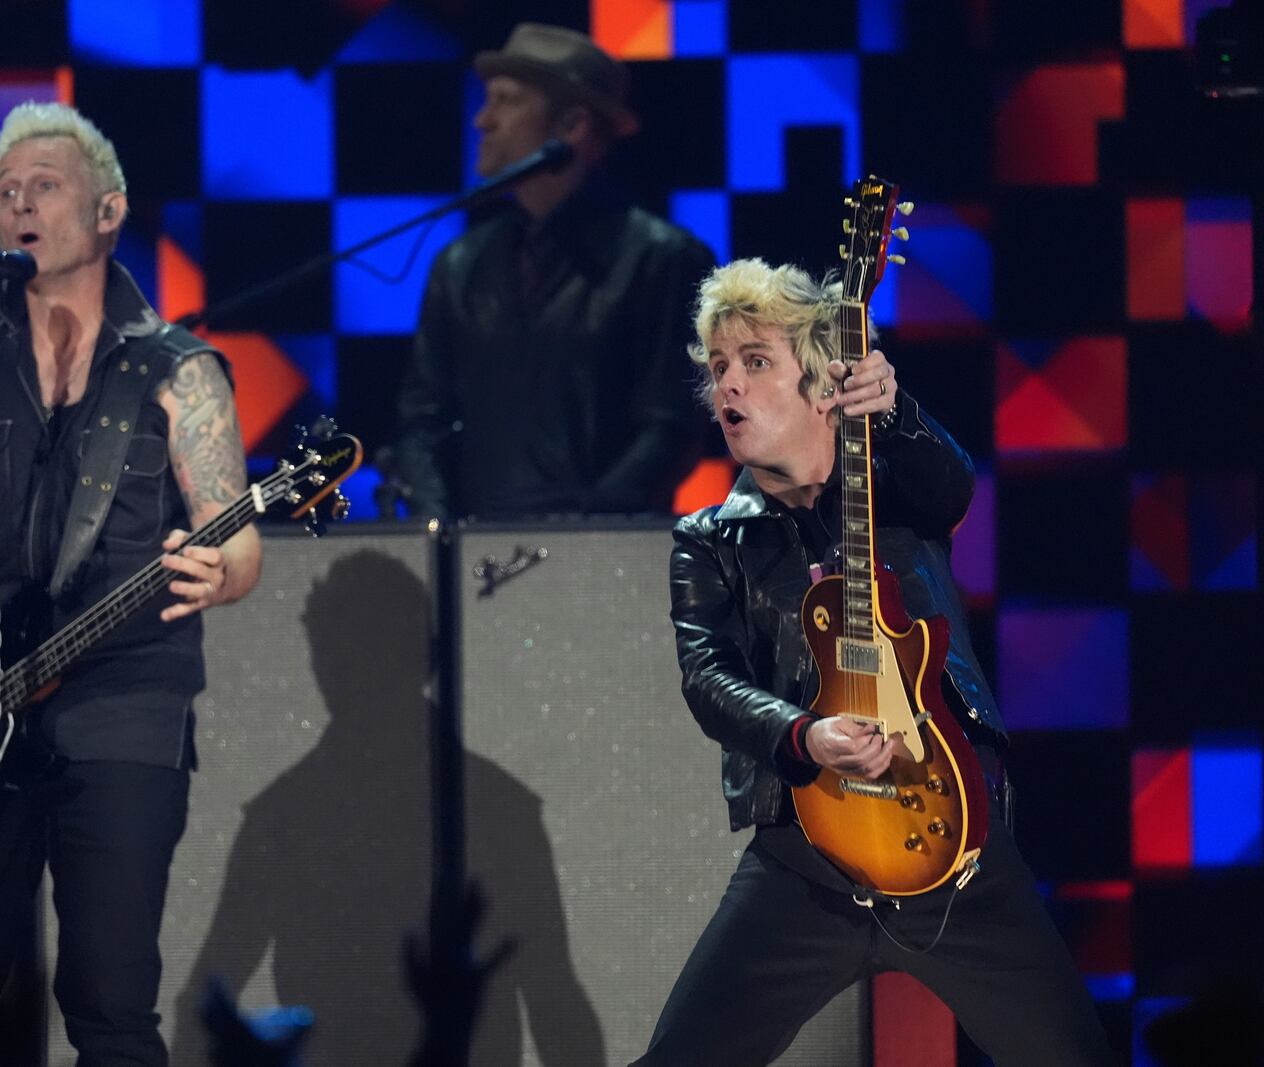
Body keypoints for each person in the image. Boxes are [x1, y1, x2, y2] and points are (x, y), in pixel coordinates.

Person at [0, 101, 262, 1065]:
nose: (19, 204)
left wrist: (220, 569)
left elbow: (237, 534)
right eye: (5, 191)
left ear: (109, 211)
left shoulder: (177, 370)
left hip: (125, 705)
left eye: (45, 185)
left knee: (107, 1001)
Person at [635, 259, 1114, 1065]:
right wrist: (805, 736)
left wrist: (896, 412)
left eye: (756, 362)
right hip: (805, 868)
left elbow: (953, 486)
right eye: (719, 368)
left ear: (826, 385)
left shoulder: (901, 491)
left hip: (956, 859)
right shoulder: (708, 541)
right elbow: (708, 680)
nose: (730, 387)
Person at [390, 22, 716, 520]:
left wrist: (578, 538)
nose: (483, 120)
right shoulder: (460, 265)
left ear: (572, 126)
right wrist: (440, 530)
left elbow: (670, 427)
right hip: (474, 561)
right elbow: (421, 419)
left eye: (506, 100)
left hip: (602, 565)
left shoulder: (663, 259)